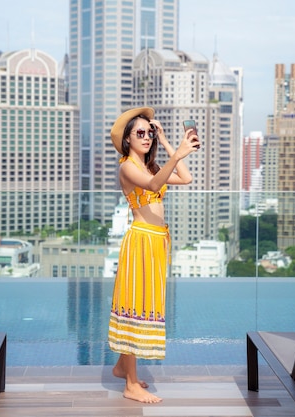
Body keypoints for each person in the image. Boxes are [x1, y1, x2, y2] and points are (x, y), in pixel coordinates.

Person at [108, 107, 199, 403]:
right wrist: (178, 154)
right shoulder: (127, 167)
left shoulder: (150, 166)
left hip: (157, 242)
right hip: (141, 242)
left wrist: (169, 141)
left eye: (150, 132)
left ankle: (124, 366)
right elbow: (153, 185)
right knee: (135, 303)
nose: (146, 137)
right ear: (127, 139)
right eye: (141, 133)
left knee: (142, 301)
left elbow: (185, 178)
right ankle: (130, 384)